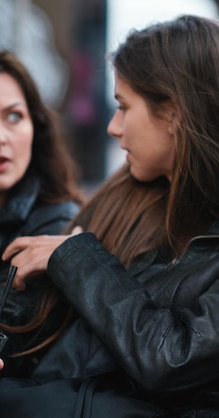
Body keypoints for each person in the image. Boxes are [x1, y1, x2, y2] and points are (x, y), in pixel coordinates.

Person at [0, 15, 219, 417]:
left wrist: (78, 259)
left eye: (123, 107)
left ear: (172, 113)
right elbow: (46, 314)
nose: (112, 127)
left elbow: (172, 359)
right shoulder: (135, 186)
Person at [0, 49, 82, 377]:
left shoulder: (57, 225)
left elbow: (12, 336)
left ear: (37, 124)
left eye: (14, 116)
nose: (2, 138)